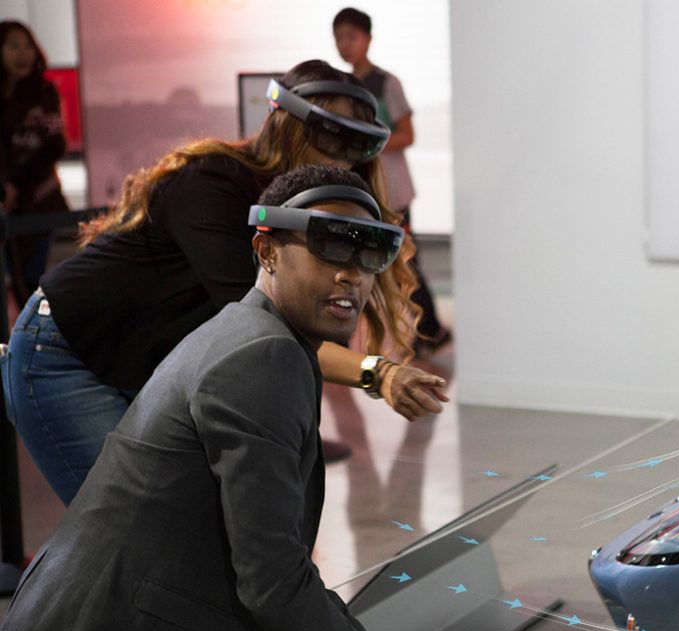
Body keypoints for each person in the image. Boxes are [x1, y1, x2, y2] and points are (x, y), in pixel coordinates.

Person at [0, 165, 416, 631]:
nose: (352, 274)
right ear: (266, 252)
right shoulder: (264, 356)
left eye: (368, 254)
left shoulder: (252, 333)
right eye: (328, 247)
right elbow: (271, 577)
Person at [0, 59, 448, 506]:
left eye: (356, 144)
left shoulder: (300, 208)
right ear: (287, 125)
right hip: (63, 353)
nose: (342, 157)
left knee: (182, 529)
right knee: (128, 527)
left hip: (144, 362)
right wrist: (377, 373)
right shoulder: (214, 180)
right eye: (332, 135)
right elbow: (259, 321)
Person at [333, 8, 451, 357]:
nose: (344, 44)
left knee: (406, 264)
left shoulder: (387, 83)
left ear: (367, 38)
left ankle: (430, 331)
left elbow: (408, 134)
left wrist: (365, 141)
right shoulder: (342, 86)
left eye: (350, 36)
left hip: (393, 192)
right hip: (362, 191)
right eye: (339, 37)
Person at [0, 20, 69, 307]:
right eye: (14, 46)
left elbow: (55, 145)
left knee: (38, 279)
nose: (23, 53)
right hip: (9, 207)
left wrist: (15, 181)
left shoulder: (44, 92)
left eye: (27, 44)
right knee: (16, 280)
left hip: (42, 201)